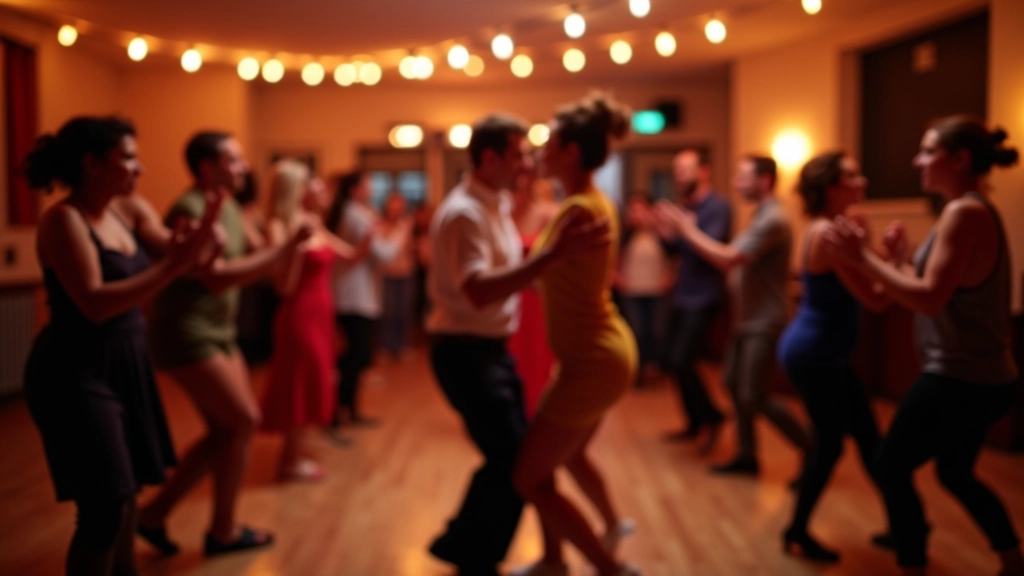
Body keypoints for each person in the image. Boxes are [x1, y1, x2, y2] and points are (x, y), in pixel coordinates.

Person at [823, 115, 1024, 576]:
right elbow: (930, 287)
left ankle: (912, 564)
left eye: (928, 151)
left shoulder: (965, 212)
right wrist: (898, 258)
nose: (917, 161)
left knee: (890, 465)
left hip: (961, 377)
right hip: (982, 377)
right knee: (955, 473)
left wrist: (864, 259)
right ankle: (1014, 560)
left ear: (960, 159)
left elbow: (929, 300)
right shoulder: (961, 210)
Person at [21, 116, 221, 576]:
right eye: (128, 158)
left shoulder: (127, 210)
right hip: (73, 370)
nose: (140, 169)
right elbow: (94, 303)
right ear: (93, 164)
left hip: (126, 359)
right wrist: (180, 263)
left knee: (127, 491)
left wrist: (205, 243)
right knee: (104, 504)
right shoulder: (63, 220)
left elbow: (177, 256)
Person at [425, 112, 609, 576]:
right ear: (489, 158)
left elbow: (511, 281)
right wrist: (551, 258)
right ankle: (476, 554)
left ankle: (469, 549)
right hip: (465, 351)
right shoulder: (465, 212)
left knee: (514, 460)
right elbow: (480, 289)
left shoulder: (495, 204)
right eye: (518, 153)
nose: (527, 162)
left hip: (489, 350)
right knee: (517, 462)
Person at [138, 131, 311, 556]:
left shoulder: (230, 206)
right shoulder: (189, 209)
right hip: (187, 332)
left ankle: (156, 514)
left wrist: (288, 233)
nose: (243, 167)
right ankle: (222, 531)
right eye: (233, 161)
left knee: (226, 430)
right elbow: (216, 278)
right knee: (243, 421)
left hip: (219, 332)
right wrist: (282, 249)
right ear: (206, 167)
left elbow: (260, 259)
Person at [511, 93, 641, 576]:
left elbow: (532, 272)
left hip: (593, 359)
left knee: (528, 476)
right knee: (566, 458)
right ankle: (553, 558)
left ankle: (609, 568)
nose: (541, 150)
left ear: (570, 151)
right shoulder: (588, 203)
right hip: (599, 352)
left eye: (549, 141)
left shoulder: (577, 211)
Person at [656, 155, 812, 475]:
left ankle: (813, 447)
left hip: (763, 321)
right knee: (731, 383)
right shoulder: (759, 217)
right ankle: (747, 455)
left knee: (754, 394)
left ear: (765, 180)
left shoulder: (774, 220)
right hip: (746, 319)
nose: (736, 183)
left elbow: (728, 258)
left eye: (743, 177)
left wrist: (686, 230)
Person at [777, 151, 890, 561]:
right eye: (853, 176)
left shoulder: (831, 229)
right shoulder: (827, 233)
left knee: (868, 437)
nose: (862, 181)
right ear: (830, 188)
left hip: (826, 354)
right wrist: (893, 259)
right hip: (816, 354)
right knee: (830, 447)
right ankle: (797, 530)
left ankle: (902, 523)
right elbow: (876, 299)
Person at [261, 160, 365, 481]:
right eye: (314, 182)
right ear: (296, 189)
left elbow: (350, 256)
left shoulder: (314, 223)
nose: (321, 187)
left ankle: (296, 450)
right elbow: (284, 286)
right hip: (298, 315)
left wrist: (376, 228)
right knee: (299, 382)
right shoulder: (279, 226)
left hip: (321, 312)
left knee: (316, 380)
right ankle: (288, 462)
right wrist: (294, 245)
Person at [654, 149, 730, 446]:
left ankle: (713, 416)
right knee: (670, 361)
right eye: (676, 170)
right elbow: (676, 253)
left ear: (704, 172)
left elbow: (710, 250)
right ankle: (695, 421)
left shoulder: (717, 207)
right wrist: (663, 231)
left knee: (683, 359)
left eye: (685, 169)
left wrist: (682, 229)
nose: (679, 175)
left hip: (705, 296)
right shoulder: (684, 206)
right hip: (682, 295)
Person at [324, 171, 408, 430]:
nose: (371, 187)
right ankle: (338, 412)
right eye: (367, 182)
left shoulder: (351, 213)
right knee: (355, 357)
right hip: (355, 296)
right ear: (355, 189)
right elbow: (383, 253)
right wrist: (400, 233)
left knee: (354, 356)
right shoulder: (358, 217)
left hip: (349, 293)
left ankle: (347, 409)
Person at [616, 194, 671, 387]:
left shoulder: (661, 234)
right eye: (633, 209)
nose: (637, 214)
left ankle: (653, 369)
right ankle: (637, 372)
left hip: (656, 290)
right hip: (632, 291)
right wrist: (618, 279)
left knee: (656, 332)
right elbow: (613, 260)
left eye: (640, 209)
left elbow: (675, 258)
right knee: (636, 331)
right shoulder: (625, 235)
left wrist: (669, 278)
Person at [379, 192, 418, 360]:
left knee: (403, 311)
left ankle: (401, 345)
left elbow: (412, 247)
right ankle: (387, 346)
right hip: (387, 273)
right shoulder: (380, 224)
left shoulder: (408, 225)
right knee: (389, 312)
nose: (395, 210)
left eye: (399, 206)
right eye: (392, 206)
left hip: (405, 272)